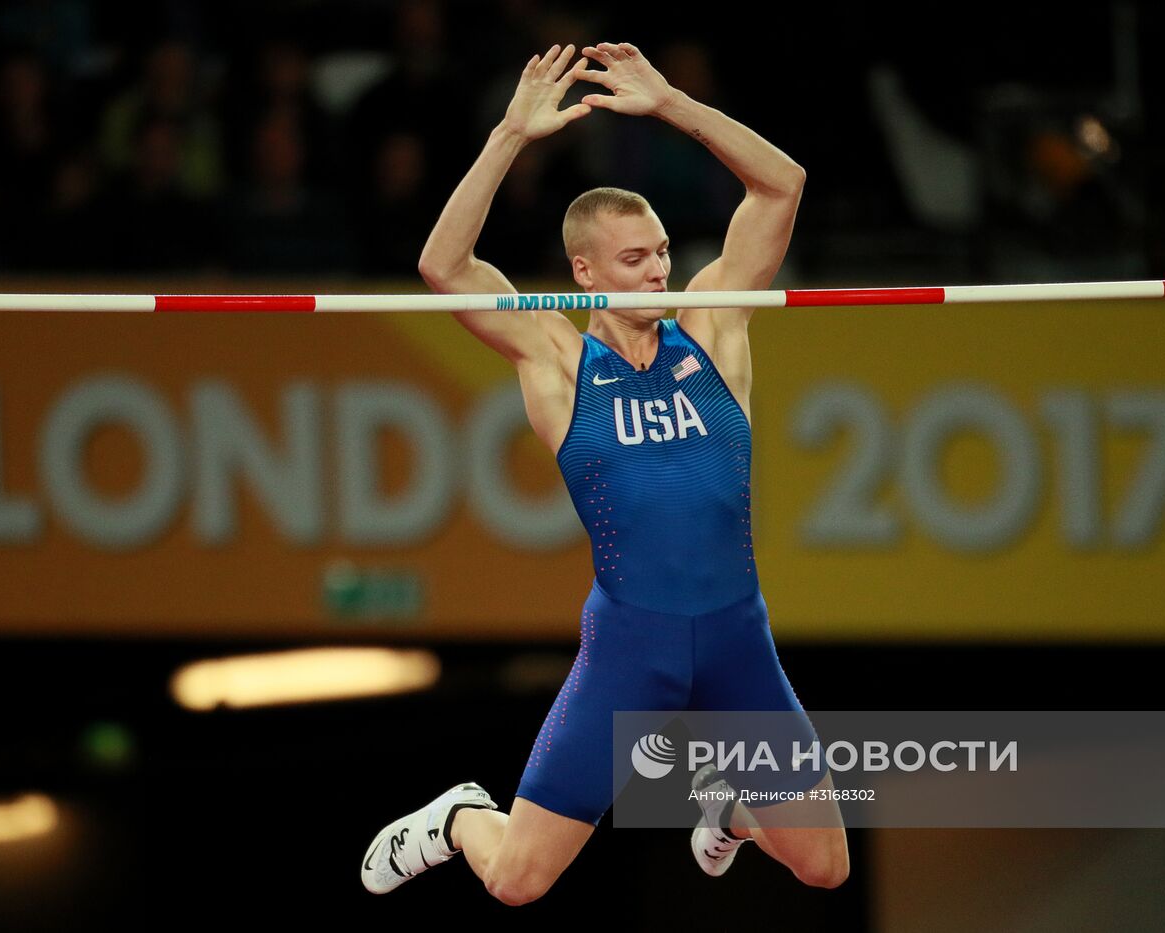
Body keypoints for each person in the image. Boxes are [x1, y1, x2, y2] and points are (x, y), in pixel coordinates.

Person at [360, 41, 849, 906]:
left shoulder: (714, 326)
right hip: (631, 648)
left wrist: (673, 106)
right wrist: (512, 133)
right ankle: (459, 817)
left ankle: (726, 812)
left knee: (824, 864)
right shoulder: (556, 358)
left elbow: (782, 185)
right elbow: (443, 267)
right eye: (636, 260)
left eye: (662, 251)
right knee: (516, 883)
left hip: (738, 640)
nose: (660, 271)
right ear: (585, 271)